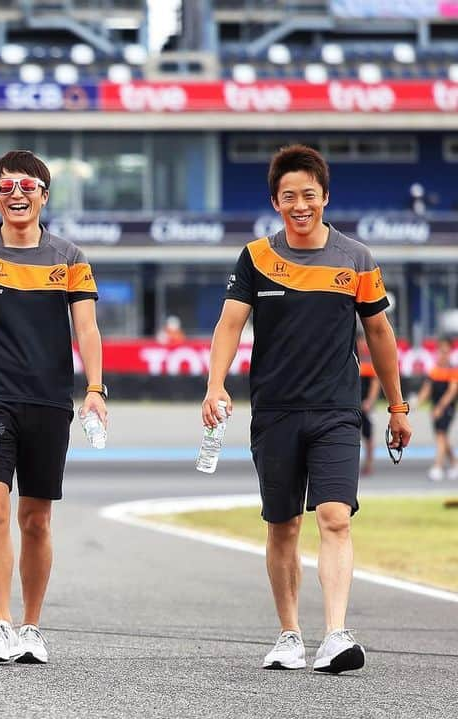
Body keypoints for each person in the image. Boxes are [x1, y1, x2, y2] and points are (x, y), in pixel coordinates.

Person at [202, 144, 412, 675]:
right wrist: (215, 386)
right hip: (274, 410)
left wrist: (398, 405)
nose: (301, 205)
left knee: (335, 517)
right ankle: (289, 634)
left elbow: (380, 333)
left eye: (310, 195)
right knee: (283, 525)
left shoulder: (357, 259)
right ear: (276, 200)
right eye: (290, 196)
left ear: (325, 197)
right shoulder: (255, 258)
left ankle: (336, 635)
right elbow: (230, 325)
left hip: (337, 411)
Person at [0, 150, 105, 665]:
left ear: (44, 195)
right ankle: (1, 624)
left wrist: (96, 389)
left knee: (36, 519)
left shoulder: (71, 258)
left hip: (50, 402)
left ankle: (32, 627)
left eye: (27, 186)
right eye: (5, 187)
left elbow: (87, 328)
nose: (17, 195)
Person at [415, 337, 458, 481]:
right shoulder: (434, 370)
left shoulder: (453, 370)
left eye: (446, 351)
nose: (443, 354)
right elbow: (426, 389)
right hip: (435, 409)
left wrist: (440, 407)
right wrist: (416, 403)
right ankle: (454, 463)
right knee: (442, 437)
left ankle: (437, 466)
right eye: (441, 351)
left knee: (440, 436)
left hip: (447, 408)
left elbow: (451, 392)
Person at [357, 332, 381, 475]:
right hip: (353, 404)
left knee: (368, 434)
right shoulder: (353, 360)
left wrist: (370, 402)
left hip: (366, 404)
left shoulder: (369, 361)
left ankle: (369, 463)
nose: (362, 345)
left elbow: (375, 383)